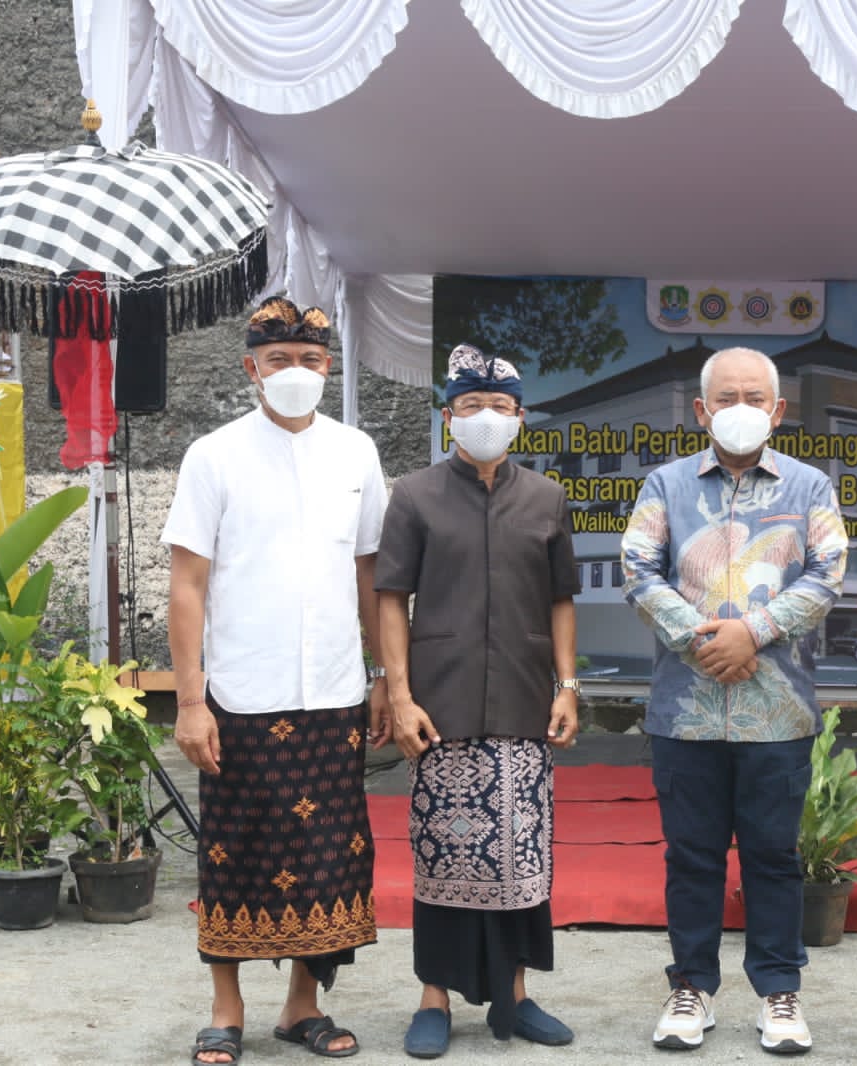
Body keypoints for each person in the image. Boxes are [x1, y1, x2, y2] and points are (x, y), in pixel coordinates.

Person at [164, 297, 387, 1065]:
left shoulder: (356, 452)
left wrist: (384, 676)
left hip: (332, 690)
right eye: (280, 359)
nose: (297, 372)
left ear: (330, 368)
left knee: (327, 851)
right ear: (250, 368)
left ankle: (302, 1007)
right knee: (235, 848)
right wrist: (191, 701)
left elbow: (368, 574)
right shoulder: (213, 455)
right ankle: (226, 1008)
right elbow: (188, 583)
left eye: (311, 360)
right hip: (240, 692)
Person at [621, 346, 847, 1055]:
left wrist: (752, 631)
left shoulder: (810, 488)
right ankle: (690, 987)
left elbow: (828, 572)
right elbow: (637, 565)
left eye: (755, 396)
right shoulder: (665, 483)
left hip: (776, 712)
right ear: (701, 410)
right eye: (726, 397)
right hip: (684, 712)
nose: (740, 408)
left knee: (773, 856)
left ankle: (779, 993)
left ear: (778, 411)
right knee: (691, 856)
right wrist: (700, 640)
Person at [375, 344, 581, 1058]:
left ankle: (517, 996)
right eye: (470, 406)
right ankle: (433, 997)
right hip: (442, 706)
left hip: (524, 705)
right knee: (443, 857)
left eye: (498, 407)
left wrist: (568, 687)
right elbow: (391, 599)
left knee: (521, 859)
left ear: (520, 417)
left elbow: (561, 601)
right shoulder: (415, 495)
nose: (484, 418)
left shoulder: (547, 499)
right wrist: (399, 696)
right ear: (447, 418)